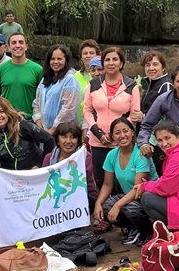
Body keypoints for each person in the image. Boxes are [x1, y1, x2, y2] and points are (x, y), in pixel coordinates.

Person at [83, 46, 141, 193]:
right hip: (98, 141)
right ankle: (102, 209)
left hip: (121, 141)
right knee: (100, 178)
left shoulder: (131, 86)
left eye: (115, 59)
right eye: (107, 60)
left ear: (121, 63)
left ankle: (121, 211)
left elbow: (134, 115)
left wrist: (116, 134)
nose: (111, 63)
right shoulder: (94, 84)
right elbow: (87, 110)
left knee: (120, 178)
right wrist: (98, 133)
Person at [94, 118, 158, 245]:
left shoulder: (140, 154)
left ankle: (147, 231)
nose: (122, 136)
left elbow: (138, 189)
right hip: (130, 196)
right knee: (107, 207)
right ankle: (133, 228)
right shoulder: (112, 155)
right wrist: (98, 203)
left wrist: (118, 205)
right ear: (112, 136)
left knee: (129, 208)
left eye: (125, 131)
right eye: (117, 133)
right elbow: (107, 184)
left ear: (132, 132)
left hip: (147, 196)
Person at [0, 97, 54, 170]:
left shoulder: (22, 125)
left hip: (33, 173)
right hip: (9, 175)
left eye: (1, 111)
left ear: (8, 111)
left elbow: (49, 139)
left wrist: (42, 165)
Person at [42, 122, 98, 204]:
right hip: (56, 195)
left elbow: (85, 180)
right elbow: (44, 180)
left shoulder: (85, 156)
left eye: (73, 137)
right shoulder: (49, 158)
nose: (68, 141)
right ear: (57, 141)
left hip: (83, 195)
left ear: (78, 141)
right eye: (64, 137)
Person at [33, 44, 82, 136]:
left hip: (62, 132)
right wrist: (40, 127)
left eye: (59, 59)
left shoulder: (70, 79)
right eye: (52, 59)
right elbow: (37, 103)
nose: (55, 62)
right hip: (44, 130)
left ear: (66, 60)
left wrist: (53, 129)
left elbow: (68, 109)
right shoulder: (45, 79)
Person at [0, 33, 43, 118]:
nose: (17, 45)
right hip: (7, 120)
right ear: (8, 47)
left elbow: (42, 98)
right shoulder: (0, 70)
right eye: (14, 42)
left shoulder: (37, 70)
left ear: (26, 46)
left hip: (31, 121)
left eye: (21, 42)